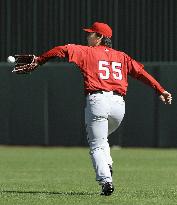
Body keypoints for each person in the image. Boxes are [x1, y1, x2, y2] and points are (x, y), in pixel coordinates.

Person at [34, 22, 172, 196]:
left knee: (96, 144)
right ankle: (107, 164)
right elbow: (141, 73)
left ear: (99, 37)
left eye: (91, 34)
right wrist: (160, 89)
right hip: (118, 106)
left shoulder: (86, 51)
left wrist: (40, 60)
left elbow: (61, 49)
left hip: (98, 100)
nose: (87, 36)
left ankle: (106, 180)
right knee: (102, 138)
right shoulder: (122, 56)